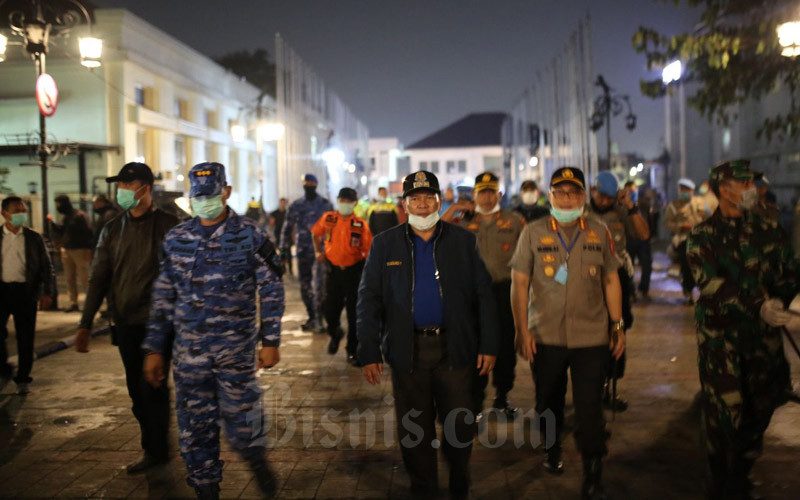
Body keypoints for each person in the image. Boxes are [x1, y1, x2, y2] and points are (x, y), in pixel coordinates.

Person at [142, 162, 284, 500]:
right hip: (188, 355)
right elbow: (163, 294)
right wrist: (153, 348)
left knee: (242, 417)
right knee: (194, 426)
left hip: (234, 350)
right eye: (198, 196)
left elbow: (271, 288)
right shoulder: (177, 238)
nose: (204, 201)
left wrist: (271, 341)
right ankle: (206, 488)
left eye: (211, 195)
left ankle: (256, 460)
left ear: (226, 192)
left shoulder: (251, 234)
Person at [357, 170, 497, 500]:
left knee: (459, 424)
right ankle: (424, 488)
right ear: (404, 205)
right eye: (415, 199)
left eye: (428, 198)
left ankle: (459, 479)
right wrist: (368, 350)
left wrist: (489, 344)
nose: (422, 205)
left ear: (438, 201)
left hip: (455, 349)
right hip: (409, 352)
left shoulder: (462, 241)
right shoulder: (385, 243)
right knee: (414, 429)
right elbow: (368, 299)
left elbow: (484, 295)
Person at [686, 159, 798, 500]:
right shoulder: (702, 235)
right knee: (723, 415)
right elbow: (709, 284)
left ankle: (743, 470)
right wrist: (757, 305)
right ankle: (721, 482)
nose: (753, 189)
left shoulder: (768, 231)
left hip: (761, 342)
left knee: (760, 408)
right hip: (721, 341)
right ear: (724, 189)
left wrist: (779, 298)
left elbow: (788, 273)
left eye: (753, 183)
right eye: (745, 183)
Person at [510, 166, 624, 500]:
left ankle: (593, 470)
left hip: (591, 336)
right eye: (560, 192)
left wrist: (617, 326)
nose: (567, 198)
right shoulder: (532, 232)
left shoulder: (599, 231)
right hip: (545, 336)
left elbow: (610, 279)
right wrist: (521, 330)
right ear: (550, 196)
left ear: (584, 197)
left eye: (573, 192)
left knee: (590, 406)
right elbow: (519, 283)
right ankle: (552, 448)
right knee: (548, 400)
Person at [74, 162, 179, 473]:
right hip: (125, 323)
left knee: (153, 386)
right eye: (118, 185)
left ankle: (156, 451)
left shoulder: (171, 226)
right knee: (136, 390)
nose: (120, 192)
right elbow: (98, 278)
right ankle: (155, 446)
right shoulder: (111, 229)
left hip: (159, 324)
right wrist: (85, 322)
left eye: (126, 185)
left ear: (145, 189)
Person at [458, 172, 525, 419]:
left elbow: (527, 257)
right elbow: (436, 230)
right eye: (481, 192)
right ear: (474, 195)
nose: (486, 197)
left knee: (505, 345)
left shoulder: (514, 221)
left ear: (499, 194)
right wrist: (456, 206)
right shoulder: (463, 222)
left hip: (503, 291)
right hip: (473, 295)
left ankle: (502, 396)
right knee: (476, 345)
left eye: (491, 192)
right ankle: (475, 403)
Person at [587, 172, 649, 413]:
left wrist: (631, 206)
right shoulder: (582, 214)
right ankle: (591, 385)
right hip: (589, 278)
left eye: (609, 197)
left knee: (618, 329)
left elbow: (644, 235)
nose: (604, 201)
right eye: (601, 196)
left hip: (617, 278)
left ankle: (610, 385)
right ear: (593, 191)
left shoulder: (621, 212)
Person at [311, 187, 372, 365]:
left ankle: (352, 350)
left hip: (354, 272)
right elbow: (315, 233)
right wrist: (317, 252)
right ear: (338, 201)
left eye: (348, 201)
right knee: (329, 310)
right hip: (334, 272)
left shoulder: (361, 225)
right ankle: (335, 333)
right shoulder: (329, 218)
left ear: (354, 203)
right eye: (341, 200)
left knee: (354, 315)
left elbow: (369, 251)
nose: (344, 204)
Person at [0, 196, 54, 394]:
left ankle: (23, 376)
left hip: (26, 291)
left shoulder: (33, 238)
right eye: (16, 211)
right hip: (2, 291)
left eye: (23, 210)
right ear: (4, 214)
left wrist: (47, 292)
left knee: (25, 336)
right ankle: (3, 367)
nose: (21, 214)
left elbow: (46, 267)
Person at [280, 174, 333, 332]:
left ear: (316, 184)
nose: (308, 185)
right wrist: (284, 249)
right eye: (306, 183)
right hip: (303, 251)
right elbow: (287, 227)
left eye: (311, 183)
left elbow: (333, 228)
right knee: (305, 286)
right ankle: (312, 316)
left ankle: (319, 318)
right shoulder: (296, 205)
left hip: (321, 252)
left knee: (320, 286)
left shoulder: (325, 205)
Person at [49, 194, 93, 312]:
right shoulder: (67, 217)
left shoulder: (79, 216)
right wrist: (52, 223)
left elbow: (88, 233)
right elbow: (61, 231)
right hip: (67, 250)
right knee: (69, 278)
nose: (58, 206)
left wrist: (89, 249)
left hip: (80, 250)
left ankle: (90, 302)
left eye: (59, 204)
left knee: (84, 277)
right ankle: (73, 303)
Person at [665, 178, 703, 304]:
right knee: (687, 261)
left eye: (687, 190)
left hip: (701, 238)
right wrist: (681, 226)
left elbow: (710, 217)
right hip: (683, 239)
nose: (684, 192)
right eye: (682, 189)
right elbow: (667, 224)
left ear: (692, 191)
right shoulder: (673, 206)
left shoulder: (700, 204)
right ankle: (688, 288)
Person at [623, 181, 653, 301]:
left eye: (633, 190)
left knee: (647, 266)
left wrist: (650, 235)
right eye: (629, 191)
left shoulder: (644, 204)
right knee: (629, 267)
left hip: (643, 241)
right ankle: (631, 291)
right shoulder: (621, 206)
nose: (631, 193)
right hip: (628, 240)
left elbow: (650, 221)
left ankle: (643, 289)